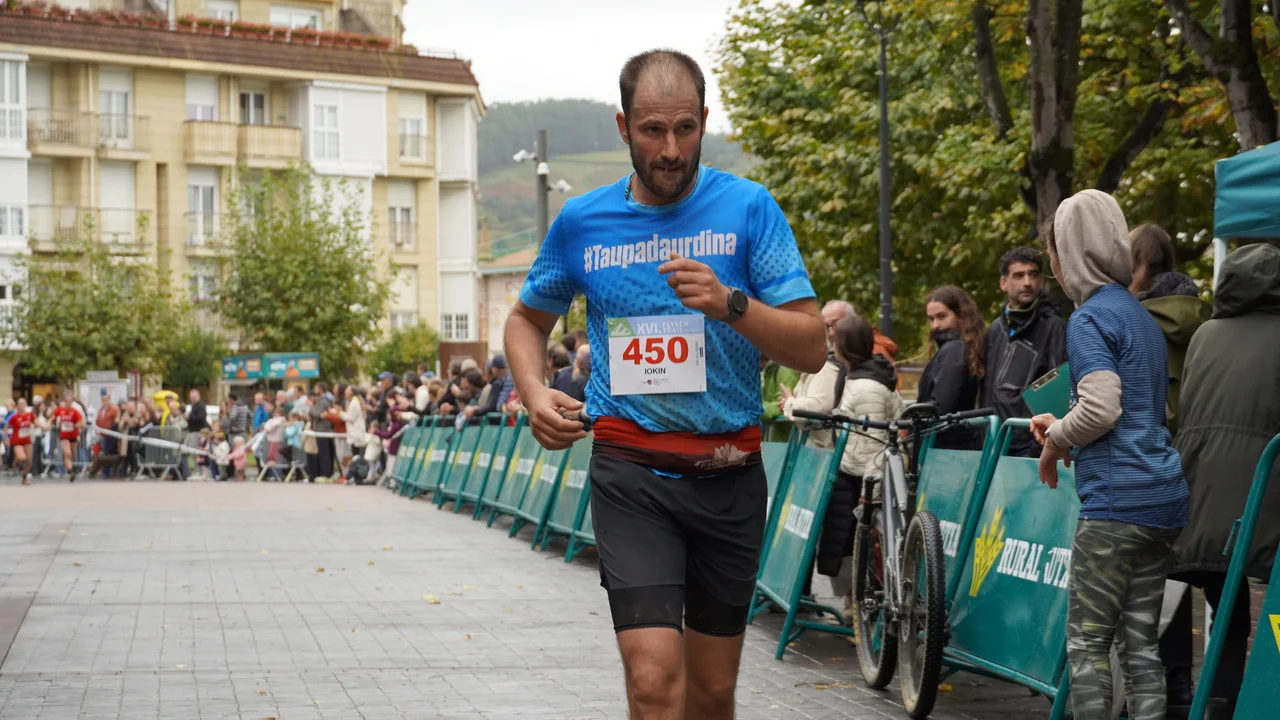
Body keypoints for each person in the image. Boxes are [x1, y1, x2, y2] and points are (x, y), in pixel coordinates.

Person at [503, 49, 825, 719]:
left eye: (685, 128)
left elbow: (812, 346)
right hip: (631, 473)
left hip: (729, 470)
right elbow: (526, 321)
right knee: (653, 681)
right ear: (624, 127)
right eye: (653, 130)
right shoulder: (583, 222)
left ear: (704, 120)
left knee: (711, 693)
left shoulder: (749, 209)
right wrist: (534, 394)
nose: (671, 149)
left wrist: (731, 305)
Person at [1030, 189, 1188, 720]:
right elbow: (1131, 408)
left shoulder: (1089, 318)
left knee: (1088, 643)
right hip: (1162, 498)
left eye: (1053, 251)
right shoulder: (1141, 317)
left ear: (1069, 253)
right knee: (1140, 646)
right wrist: (1063, 424)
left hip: (1117, 505)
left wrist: (1056, 441)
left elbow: (1101, 409)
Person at [1162, 243, 1280, 717]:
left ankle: (1219, 700)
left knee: (1225, 601)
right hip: (1263, 491)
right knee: (1269, 601)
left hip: (1199, 490)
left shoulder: (1205, 334)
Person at [822, 314, 903, 617]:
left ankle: (860, 607)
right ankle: (853, 603)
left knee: (857, 543)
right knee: (845, 542)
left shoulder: (867, 386)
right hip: (853, 471)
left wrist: (871, 490)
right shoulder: (860, 376)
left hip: (861, 478)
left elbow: (875, 443)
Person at [981, 247, 1067, 456]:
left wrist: (1038, 447)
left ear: (1042, 281)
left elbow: (1059, 392)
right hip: (994, 444)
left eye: (1033, 274)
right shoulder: (995, 330)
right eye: (1018, 276)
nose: (1027, 282)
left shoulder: (1054, 327)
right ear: (1004, 283)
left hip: (1030, 448)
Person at [919, 285, 986, 449]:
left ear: (961, 316)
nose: (935, 325)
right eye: (931, 319)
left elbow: (942, 406)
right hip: (953, 443)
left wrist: (914, 417)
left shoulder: (954, 349)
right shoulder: (962, 347)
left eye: (941, 317)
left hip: (946, 446)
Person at [780, 299, 853, 448]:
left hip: (824, 453)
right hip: (820, 450)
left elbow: (817, 407)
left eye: (836, 324)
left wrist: (789, 403)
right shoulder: (826, 363)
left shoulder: (827, 367)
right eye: (826, 326)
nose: (830, 332)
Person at [467, 354, 516, 421]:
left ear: (495, 369)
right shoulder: (503, 379)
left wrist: (475, 411)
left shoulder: (504, 380)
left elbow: (503, 397)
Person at [51, 393, 85, 480]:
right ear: (64, 401)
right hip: (64, 436)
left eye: (70, 401)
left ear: (72, 402)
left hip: (73, 435)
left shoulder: (75, 411)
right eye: (67, 401)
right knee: (67, 453)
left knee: (72, 454)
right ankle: (70, 471)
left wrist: (74, 425)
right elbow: (53, 417)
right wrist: (48, 423)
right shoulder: (60, 410)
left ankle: (70, 468)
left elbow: (82, 423)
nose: (68, 403)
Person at [307, 382, 335, 480]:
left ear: (321, 389)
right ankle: (322, 472)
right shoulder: (320, 400)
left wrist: (311, 407)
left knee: (324, 453)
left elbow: (318, 413)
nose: (315, 390)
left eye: (316, 388)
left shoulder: (324, 401)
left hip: (323, 430)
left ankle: (326, 473)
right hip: (319, 430)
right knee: (322, 452)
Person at [7, 398, 36, 484]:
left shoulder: (30, 415)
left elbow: (36, 422)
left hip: (27, 440)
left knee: (29, 460)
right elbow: (6, 426)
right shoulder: (15, 417)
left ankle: (25, 476)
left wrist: (45, 426)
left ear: (26, 405)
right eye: (20, 404)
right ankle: (16, 462)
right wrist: (6, 438)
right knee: (22, 458)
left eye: (23, 404)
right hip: (17, 441)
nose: (22, 406)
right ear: (17, 406)